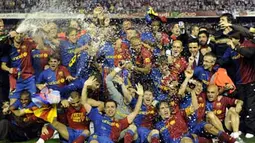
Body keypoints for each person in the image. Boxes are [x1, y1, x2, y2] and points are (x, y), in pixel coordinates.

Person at [81, 76, 144, 143]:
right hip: (96, 139)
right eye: (108, 107)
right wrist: (85, 86)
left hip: (110, 141)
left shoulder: (121, 123)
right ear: (104, 109)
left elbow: (135, 112)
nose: (110, 109)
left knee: (133, 128)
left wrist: (140, 96)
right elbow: (84, 102)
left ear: (116, 109)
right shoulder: (97, 116)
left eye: (112, 107)